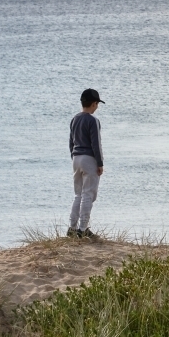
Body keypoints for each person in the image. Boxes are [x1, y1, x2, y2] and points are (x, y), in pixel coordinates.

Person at [67, 88, 105, 239]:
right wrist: (100, 163)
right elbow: (96, 144)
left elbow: (71, 142)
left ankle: (72, 227)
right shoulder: (93, 121)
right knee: (88, 194)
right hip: (89, 158)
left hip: (76, 158)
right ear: (94, 104)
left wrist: (74, 156)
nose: (97, 107)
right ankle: (83, 229)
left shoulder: (75, 119)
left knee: (78, 194)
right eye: (97, 104)